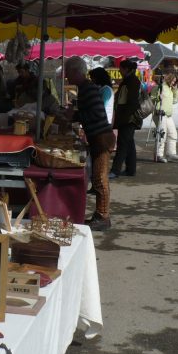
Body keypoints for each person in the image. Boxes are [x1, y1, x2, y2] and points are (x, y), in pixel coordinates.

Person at [65, 56, 116, 231]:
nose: (66, 76)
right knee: (97, 178)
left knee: (100, 179)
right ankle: (99, 214)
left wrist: (75, 116)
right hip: (98, 137)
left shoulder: (88, 88)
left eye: (67, 72)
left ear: (75, 71)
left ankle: (103, 216)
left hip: (101, 138)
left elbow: (95, 113)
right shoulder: (85, 88)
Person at [109, 59, 142, 178]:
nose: (119, 70)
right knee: (129, 143)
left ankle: (115, 171)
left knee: (122, 144)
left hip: (129, 118)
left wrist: (125, 117)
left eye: (121, 68)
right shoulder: (129, 80)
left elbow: (132, 102)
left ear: (127, 69)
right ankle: (130, 169)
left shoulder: (132, 81)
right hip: (127, 118)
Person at [150, 73, 178, 163]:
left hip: (168, 115)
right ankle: (158, 154)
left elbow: (175, 101)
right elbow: (152, 98)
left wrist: (175, 90)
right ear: (169, 79)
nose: (174, 83)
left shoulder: (171, 89)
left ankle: (171, 153)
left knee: (173, 133)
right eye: (173, 81)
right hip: (159, 114)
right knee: (161, 134)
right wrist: (157, 98)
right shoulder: (160, 87)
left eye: (175, 82)